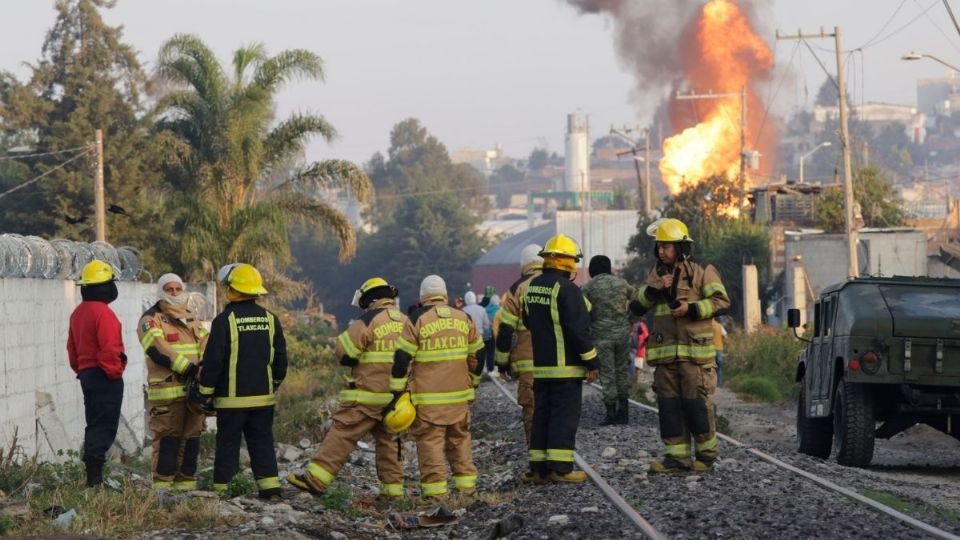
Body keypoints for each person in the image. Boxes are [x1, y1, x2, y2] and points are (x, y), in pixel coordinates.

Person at [287, 277, 409, 498]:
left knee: (342, 434)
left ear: (370, 298)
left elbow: (344, 353)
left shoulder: (368, 320)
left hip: (366, 397)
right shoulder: (407, 322)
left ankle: (316, 480)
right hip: (397, 401)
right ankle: (393, 493)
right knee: (391, 444)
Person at [630, 218, 730, 474]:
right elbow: (636, 307)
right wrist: (653, 290)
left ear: (682, 248)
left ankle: (706, 456)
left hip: (694, 356)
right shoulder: (655, 275)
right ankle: (677, 459)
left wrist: (692, 308)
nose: (662, 251)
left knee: (696, 405)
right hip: (665, 357)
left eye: (667, 246)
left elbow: (721, 301)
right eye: (659, 247)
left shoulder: (702, 272)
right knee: (669, 407)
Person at [194, 263, 288, 499]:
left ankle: (224, 491)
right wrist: (273, 384)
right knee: (262, 442)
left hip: (231, 402)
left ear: (232, 289)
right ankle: (270, 490)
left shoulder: (224, 320)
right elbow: (281, 361)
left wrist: (205, 392)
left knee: (228, 445)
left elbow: (213, 360)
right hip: (263, 399)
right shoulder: (271, 319)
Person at [391, 275, 485, 498]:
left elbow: (402, 358)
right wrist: (473, 382)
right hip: (459, 398)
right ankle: (467, 489)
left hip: (428, 400)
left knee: (430, 443)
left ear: (422, 298)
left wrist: (398, 391)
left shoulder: (417, 320)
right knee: (460, 441)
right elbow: (478, 354)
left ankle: (436, 494)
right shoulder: (464, 318)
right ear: (445, 296)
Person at [520, 235, 599, 483]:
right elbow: (579, 330)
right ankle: (561, 469)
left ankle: (539, 469)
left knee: (542, 415)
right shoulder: (567, 290)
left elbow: (526, 321)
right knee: (564, 417)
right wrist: (592, 362)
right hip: (566, 369)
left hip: (542, 369)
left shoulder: (531, 287)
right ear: (568, 263)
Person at [137, 273, 209, 491]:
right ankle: (163, 489)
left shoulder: (191, 317)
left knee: (192, 437)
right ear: (161, 291)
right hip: (167, 391)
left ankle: (186, 487)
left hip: (193, 392)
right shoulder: (150, 320)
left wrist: (205, 368)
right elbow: (158, 349)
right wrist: (190, 369)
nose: (175, 294)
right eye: (170, 290)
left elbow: (206, 343)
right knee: (168, 439)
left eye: (178, 289)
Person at [67, 260, 126, 488]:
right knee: (104, 425)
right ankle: (95, 481)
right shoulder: (104, 313)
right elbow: (110, 348)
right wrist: (114, 373)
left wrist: (82, 370)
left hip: (87, 374)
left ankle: (92, 477)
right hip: (104, 376)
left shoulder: (78, 313)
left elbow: (72, 349)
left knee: (93, 422)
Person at [495, 244, 543, 446]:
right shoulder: (560, 282)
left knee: (531, 409)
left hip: (528, 363)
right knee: (556, 408)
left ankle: (537, 457)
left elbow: (505, 329)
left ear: (523, 266)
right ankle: (560, 458)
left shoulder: (517, 289)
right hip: (560, 363)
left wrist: (502, 362)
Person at [581, 255, 635, 426]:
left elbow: (581, 311)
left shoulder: (588, 287)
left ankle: (611, 414)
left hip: (601, 335)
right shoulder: (622, 283)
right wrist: (632, 320)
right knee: (621, 372)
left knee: (607, 374)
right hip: (622, 334)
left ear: (592, 269)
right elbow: (638, 299)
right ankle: (624, 413)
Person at [461, 291, 491, 373]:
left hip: (468, 336)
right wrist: (488, 335)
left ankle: (470, 370)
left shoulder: (462, 311)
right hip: (480, 335)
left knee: (469, 355)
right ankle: (483, 370)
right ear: (475, 299)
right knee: (481, 354)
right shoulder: (482, 309)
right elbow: (487, 325)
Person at [483, 294, 500, 373]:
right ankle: (497, 368)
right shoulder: (499, 310)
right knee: (498, 351)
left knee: (488, 352)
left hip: (487, 333)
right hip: (498, 333)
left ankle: (488, 368)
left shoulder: (485, 309)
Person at [712, 318, 727, 387]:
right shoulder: (719, 326)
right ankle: (720, 384)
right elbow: (725, 335)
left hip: (710, 349)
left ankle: (712, 383)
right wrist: (722, 343)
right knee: (720, 367)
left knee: (711, 368)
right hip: (719, 349)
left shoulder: (707, 327)